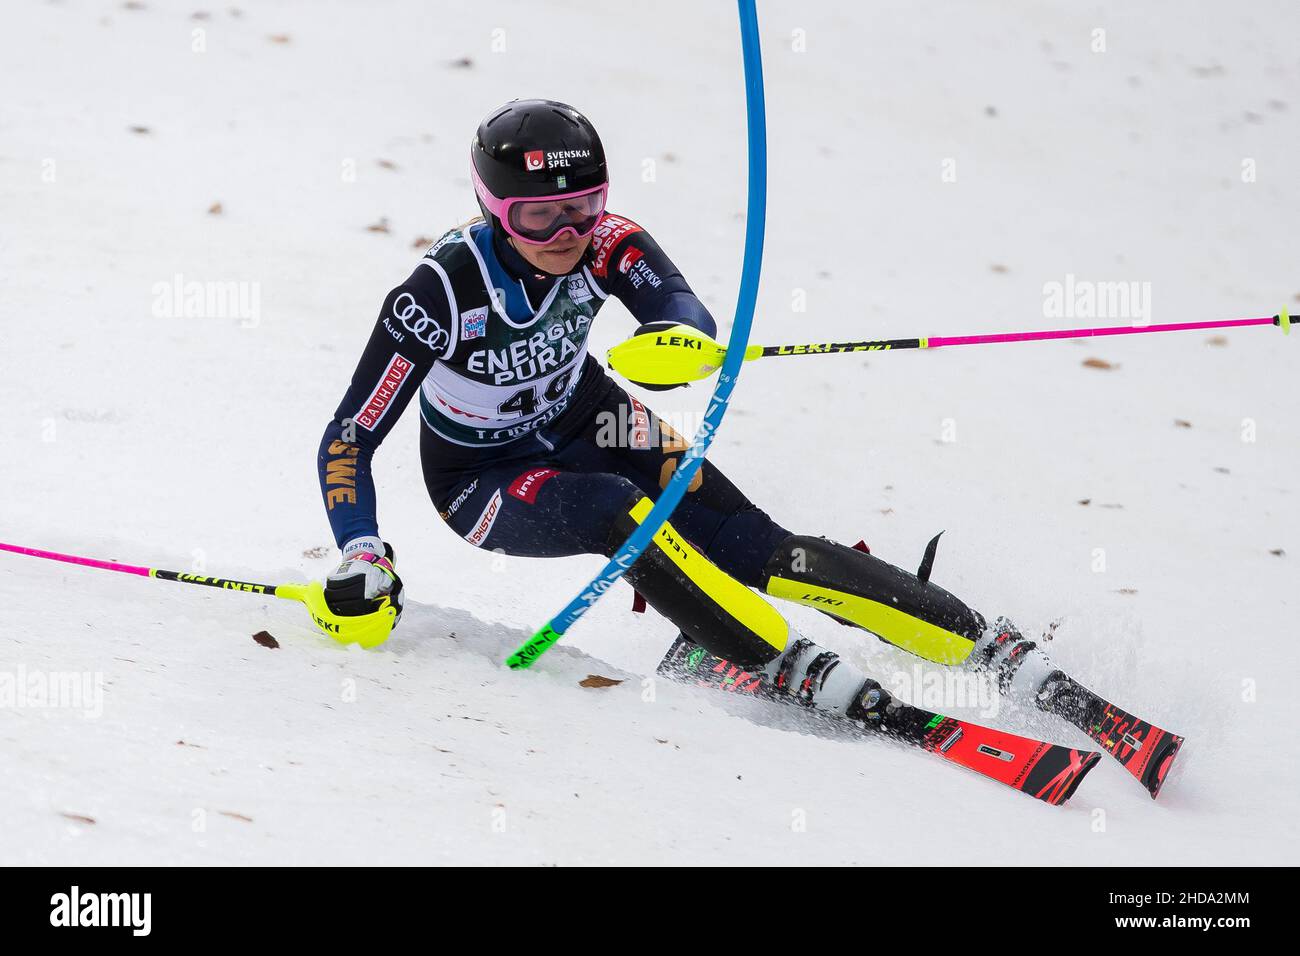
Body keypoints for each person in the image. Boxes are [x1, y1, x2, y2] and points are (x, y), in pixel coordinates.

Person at [313, 100, 1181, 795]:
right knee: (618, 511)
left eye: (585, 205)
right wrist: (362, 552)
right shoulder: (441, 291)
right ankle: (779, 663)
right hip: (486, 478)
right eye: (540, 216)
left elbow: (679, 309)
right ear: (494, 211)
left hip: (593, 419)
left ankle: (994, 652)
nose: (568, 230)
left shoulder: (607, 240)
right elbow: (352, 433)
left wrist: (673, 342)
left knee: (767, 550)